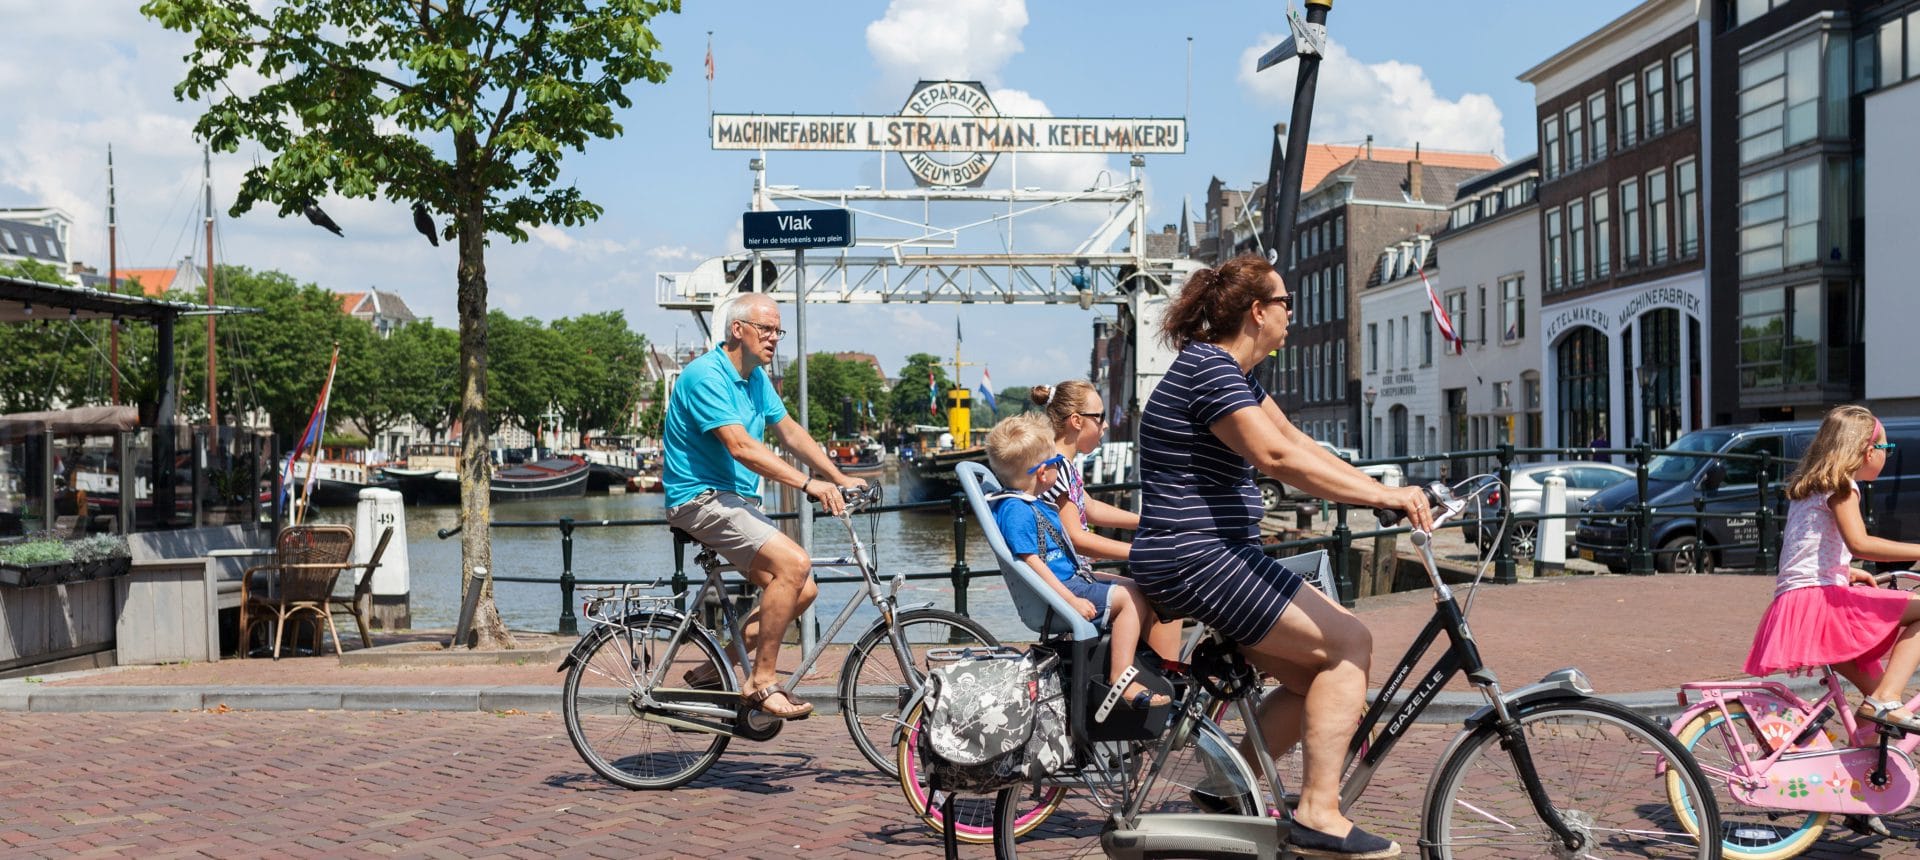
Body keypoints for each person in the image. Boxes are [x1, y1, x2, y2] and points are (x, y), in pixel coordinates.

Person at [1128, 254, 1431, 859]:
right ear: (1258, 311)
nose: (1293, 313)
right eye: (1286, 302)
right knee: (1350, 645)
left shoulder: (1228, 374)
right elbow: (1277, 460)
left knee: (1313, 675)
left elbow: (1298, 442)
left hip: (1203, 552)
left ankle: (1225, 785)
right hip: (1200, 556)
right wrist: (1383, 495)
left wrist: (1383, 489)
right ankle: (1319, 813)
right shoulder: (1211, 371)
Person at [662, 293, 866, 720]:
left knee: (801, 587)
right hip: (700, 498)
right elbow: (741, 448)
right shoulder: (706, 376)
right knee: (794, 564)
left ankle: (707, 671)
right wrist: (809, 485)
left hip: (734, 500)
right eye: (767, 329)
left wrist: (841, 478)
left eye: (779, 330)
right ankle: (761, 681)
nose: (775, 338)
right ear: (739, 330)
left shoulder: (755, 378)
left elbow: (789, 432)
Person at [1744, 405, 1920, 731]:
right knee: (1886, 695)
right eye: (1886, 448)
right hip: (1822, 605)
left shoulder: (1811, 487)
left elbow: (1805, 549)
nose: (1887, 455)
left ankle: (1865, 766)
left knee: (1874, 702)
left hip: (1799, 606)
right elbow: (1861, 544)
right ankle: (1887, 699)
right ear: (1868, 451)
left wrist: (1845, 571)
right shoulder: (1842, 486)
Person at [986, 413, 1168, 710]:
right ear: (1043, 472)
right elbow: (1031, 561)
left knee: (1137, 591)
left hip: (1071, 581)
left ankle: (1129, 663)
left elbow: (1048, 549)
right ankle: (1120, 675)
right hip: (1063, 591)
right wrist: (1070, 599)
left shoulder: (1029, 503)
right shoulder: (1015, 510)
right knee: (1128, 599)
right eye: (1057, 464)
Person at [1028, 380, 1181, 661]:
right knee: (1162, 596)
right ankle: (1159, 685)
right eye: (1100, 417)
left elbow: (1092, 507)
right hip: (1068, 580)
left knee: (1149, 593)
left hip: (1073, 574)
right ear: (1076, 421)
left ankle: (1154, 677)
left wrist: (1148, 521)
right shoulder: (1056, 468)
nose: (1106, 425)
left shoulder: (1061, 465)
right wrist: (1141, 551)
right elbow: (1078, 538)